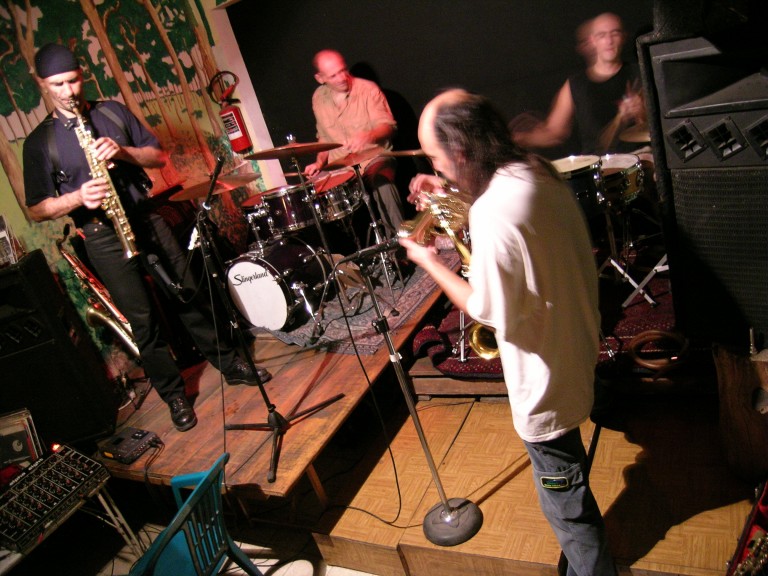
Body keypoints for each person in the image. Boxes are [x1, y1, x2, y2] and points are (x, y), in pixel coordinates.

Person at [400, 89, 617, 576]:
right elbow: (499, 209)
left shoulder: (491, 212)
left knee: (570, 513)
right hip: (575, 345)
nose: (436, 167)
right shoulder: (535, 169)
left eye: (435, 158)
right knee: (569, 493)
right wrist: (446, 188)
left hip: (544, 386)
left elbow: (485, 309)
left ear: (460, 150)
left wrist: (429, 262)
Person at [23, 43, 271, 432]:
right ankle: (174, 395)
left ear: (82, 75)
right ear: (42, 84)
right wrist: (76, 197)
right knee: (143, 319)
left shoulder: (111, 112)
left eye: (73, 81)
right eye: (58, 85)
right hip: (102, 232)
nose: (69, 92)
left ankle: (228, 361)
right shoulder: (41, 142)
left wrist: (124, 152)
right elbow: (36, 208)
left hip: (145, 216)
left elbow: (158, 157)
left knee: (187, 292)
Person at [513, 12, 645, 155]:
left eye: (615, 33)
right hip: (597, 162)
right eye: (602, 35)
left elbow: (655, 123)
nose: (609, 41)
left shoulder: (639, 73)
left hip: (638, 156)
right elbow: (555, 132)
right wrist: (520, 139)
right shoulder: (576, 84)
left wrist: (641, 111)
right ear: (592, 41)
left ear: (623, 37)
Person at [305, 49, 404, 238]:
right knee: (309, 194)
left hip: (374, 158)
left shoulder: (367, 89)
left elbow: (388, 127)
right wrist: (319, 163)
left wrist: (368, 136)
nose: (342, 78)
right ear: (320, 78)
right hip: (341, 167)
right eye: (334, 75)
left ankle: (401, 243)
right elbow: (324, 138)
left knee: (382, 184)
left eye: (343, 70)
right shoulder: (318, 97)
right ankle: (345, 250)